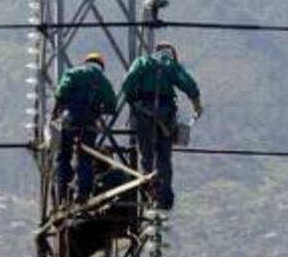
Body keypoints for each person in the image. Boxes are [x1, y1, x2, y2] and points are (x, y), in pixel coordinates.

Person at [120, 40, 203, 211]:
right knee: (164, 156)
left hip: (143, 113)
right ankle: (163, 198)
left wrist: (133, 102)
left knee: (146, 155)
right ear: (171, 54)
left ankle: (148, 194)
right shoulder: (170, 65)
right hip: (165, 115)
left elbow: (127, 83)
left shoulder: (142, 62)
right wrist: (197, 107)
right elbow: (190, 85)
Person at [52, 52, 117, 205]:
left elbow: (60, 92)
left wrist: (59, 109)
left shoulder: (73, 73)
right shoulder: (102, 80)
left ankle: (63, 192)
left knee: (64, 156)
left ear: (86, 62)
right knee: (85, 158)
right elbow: (112, 104)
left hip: (69, 120)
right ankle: (82, 194)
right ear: (100, 66)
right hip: (88, 123)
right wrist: (101, 110)